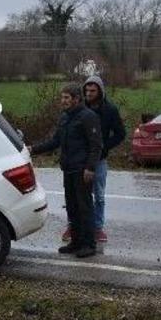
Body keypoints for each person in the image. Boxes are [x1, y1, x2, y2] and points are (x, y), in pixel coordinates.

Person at [28, 83, 102, 258]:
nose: (63, 101)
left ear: (77, 99)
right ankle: (75, 242)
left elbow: (96, 145)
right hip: (68, 169)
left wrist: (90, 167)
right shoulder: (64, 118)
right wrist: (33, 149)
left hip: (82, 170)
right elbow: (55, 141)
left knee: (85, 207)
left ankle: (89, 244)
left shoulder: (88, 117)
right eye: (62, 97)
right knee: (72, 207)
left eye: (66, 98)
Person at [60, 75, 125, 244]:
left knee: (99, 195)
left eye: (93, 90)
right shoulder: (79, 110)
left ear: (100, 91)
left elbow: (120, 134)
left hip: (99, 159)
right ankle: (73, 225)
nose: (89, 93)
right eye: (86, 90)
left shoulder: (109, 110)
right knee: (76, 196)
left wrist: (104, 147)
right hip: (80, 159)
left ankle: (97, 227)